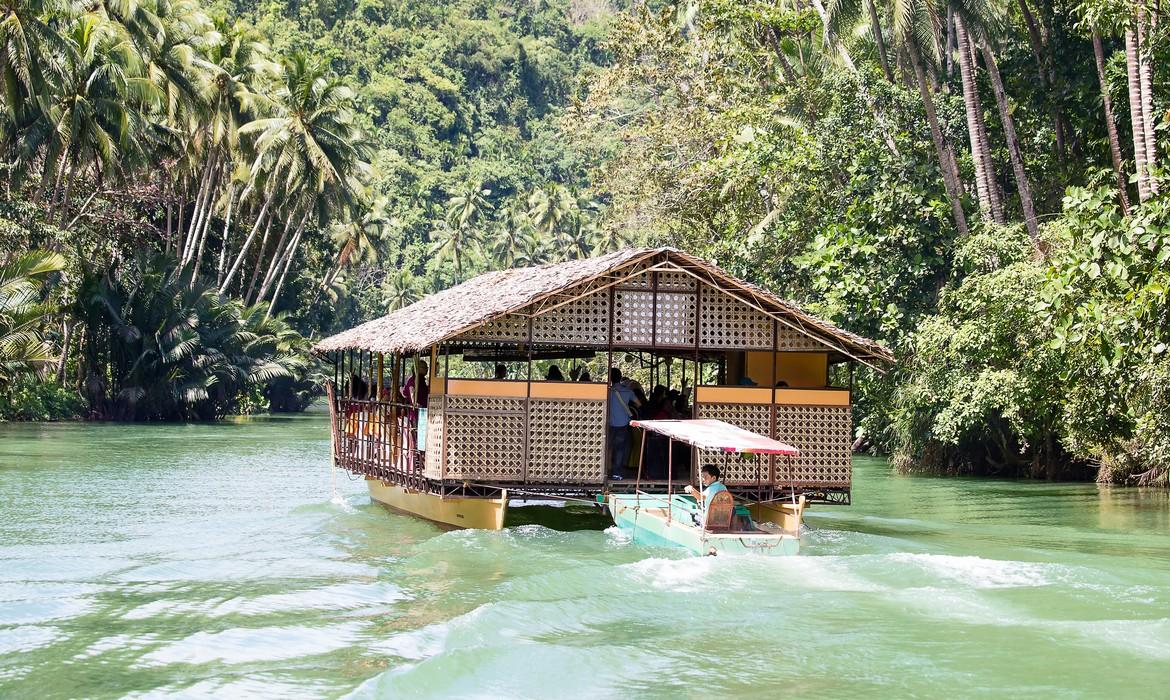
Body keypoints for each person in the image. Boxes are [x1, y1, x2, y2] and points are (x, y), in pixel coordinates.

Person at [607, 368, 639, 479]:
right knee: (620, 449)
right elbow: (639, 404)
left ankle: (606, 471)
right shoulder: (628, 391)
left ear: (610, 378)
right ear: (620, 377)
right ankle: (616, 473)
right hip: (623, 425)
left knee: (608, 447)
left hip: (609, 424)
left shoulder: (607, 391)